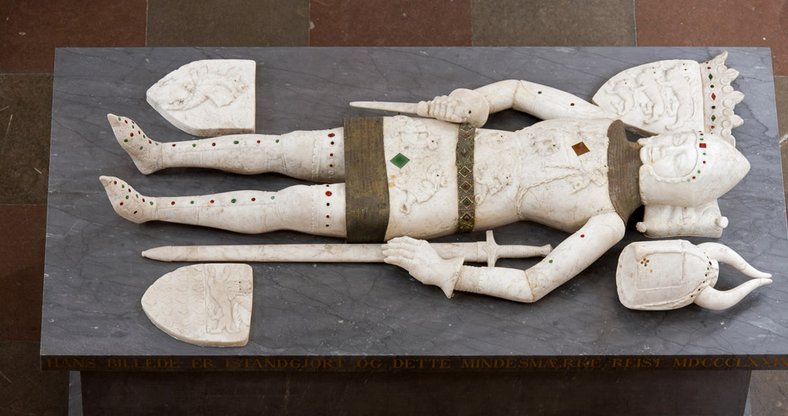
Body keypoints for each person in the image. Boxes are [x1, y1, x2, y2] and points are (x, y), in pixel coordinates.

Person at [101, 53, 752, 303]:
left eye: (687, 166)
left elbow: (532, 284)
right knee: (289, 148)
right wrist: (476, 101)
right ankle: (160, 155)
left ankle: (155, 210)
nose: (672, 155)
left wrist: (443, 271)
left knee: (289, 206)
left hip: (434, 202)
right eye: (685, 146)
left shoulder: (607, 222)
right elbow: (519, 90)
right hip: (426, 143)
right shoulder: (600, 122)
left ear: (684, 193)